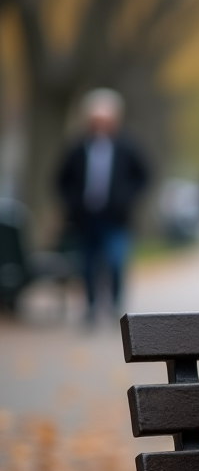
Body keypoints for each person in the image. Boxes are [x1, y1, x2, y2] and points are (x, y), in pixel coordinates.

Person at [55, 88, 148, 323]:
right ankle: (91, 307)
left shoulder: (126, 147)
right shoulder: (77, 148)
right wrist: (73, 203)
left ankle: (116, 305)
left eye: (106, 120)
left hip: (115, 217)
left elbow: (143, 175)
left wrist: (126, 198)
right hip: (85, 218)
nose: (101, 125)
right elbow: (61, 179)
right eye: (96, 120)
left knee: (116, 262)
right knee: (86, 266)